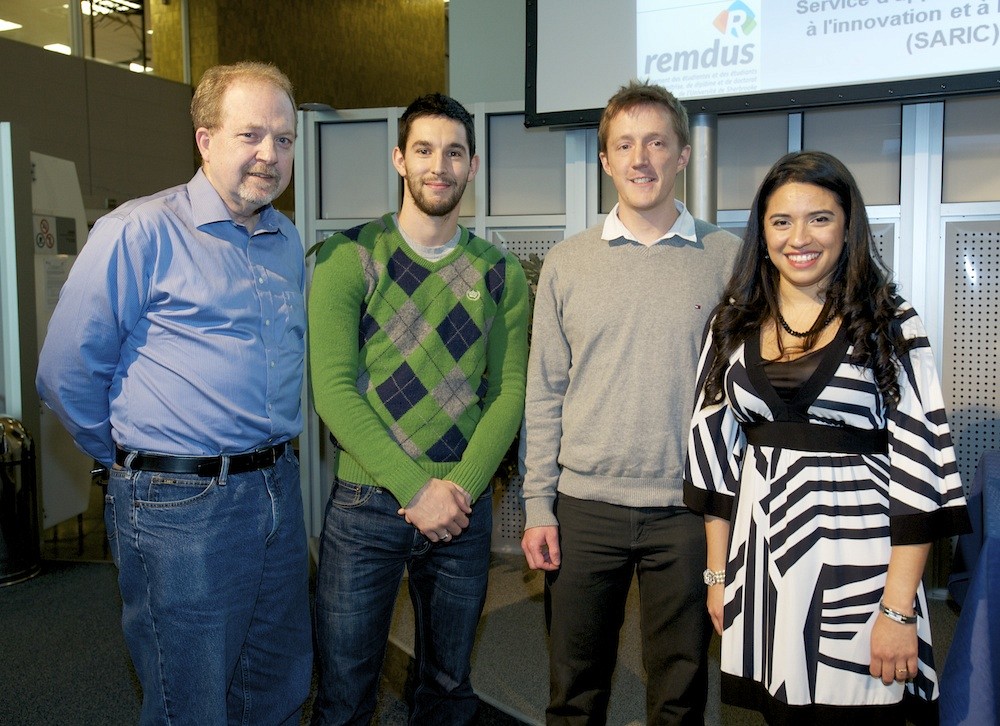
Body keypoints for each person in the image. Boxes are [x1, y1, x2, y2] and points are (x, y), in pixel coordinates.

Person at [36, 62, 312, 725]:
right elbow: (65, 372)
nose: (269, 155)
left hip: (276, 487)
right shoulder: (137, 233)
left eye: (283, 138)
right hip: (180, 507)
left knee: (275, 685)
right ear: (204, 139)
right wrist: (137, 460)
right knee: (189, 700)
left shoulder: (283, 239)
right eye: (250, 135)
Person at [684, 150, 972, 724]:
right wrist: (719, 577)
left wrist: (897, 609)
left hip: (863, 574)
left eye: (819, 218)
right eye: (781, 221)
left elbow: (921, 465)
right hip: (763, 565)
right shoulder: (731, 322)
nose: (800, 237)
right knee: (780, 713)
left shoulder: (889, 320)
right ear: (762, 233)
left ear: (847, 227)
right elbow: (713, 454)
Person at [519, 80, 739, 725]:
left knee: (681, 693)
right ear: (605, 160)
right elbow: (545, 391)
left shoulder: (728, 260)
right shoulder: (567, 263)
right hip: (585, 509)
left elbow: (743, 397)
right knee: (574, 691)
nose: (641, 158)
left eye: (656, 142)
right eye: (624, 145)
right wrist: (539, 505)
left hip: (688, 512)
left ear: (682, 155)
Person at [308, 92, 529, 725]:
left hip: (462, 508)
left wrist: (456, 489)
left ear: (473, 166)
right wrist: (417, 489)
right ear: (400, 159)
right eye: (425, 150)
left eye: (454, 152)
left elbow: (507, 394)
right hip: (365, 505)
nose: (440, 166)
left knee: (447, 687)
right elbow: (334, 393)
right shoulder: (346, 258)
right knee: (346, 691)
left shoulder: (499, 274)